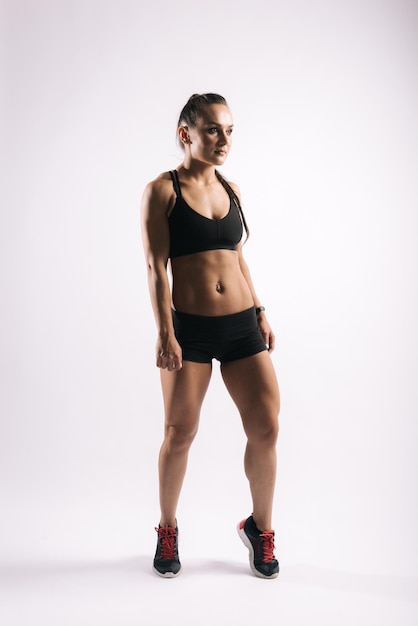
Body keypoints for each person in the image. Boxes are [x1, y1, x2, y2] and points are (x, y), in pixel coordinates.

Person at [140, 93, 280, 579]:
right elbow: (157, 268)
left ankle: (259, 528)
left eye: (230, 130)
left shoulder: (232, 189)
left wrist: (259, 310)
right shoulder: (163, 191)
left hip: (242, 325)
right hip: (191, 331)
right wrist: (165, 332)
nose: (224, 140)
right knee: (179, 434)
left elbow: (236, 257)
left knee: (266, 427)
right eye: (214, 130)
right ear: (187, 134)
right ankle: (167, 528)